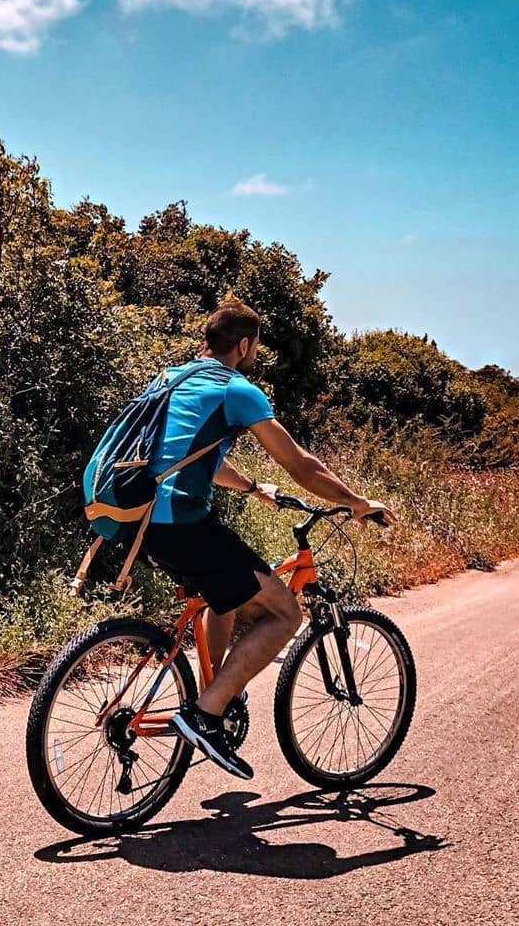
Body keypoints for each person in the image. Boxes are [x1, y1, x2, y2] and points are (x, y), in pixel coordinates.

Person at [143, 299, 397, 779]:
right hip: (182, 525)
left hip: (142, 523)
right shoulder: (237, 389)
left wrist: (254, 488)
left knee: (226, 595)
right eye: (255, 344)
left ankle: (212, 692)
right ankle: (205, 713)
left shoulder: (173, 379)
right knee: (286, 611)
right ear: (243, 344)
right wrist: (356, 501)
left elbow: (194, 458)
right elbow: (299, 463)